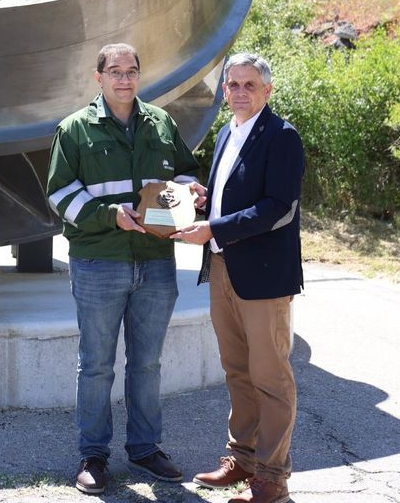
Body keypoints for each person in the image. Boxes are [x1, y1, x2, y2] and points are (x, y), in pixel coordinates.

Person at [46, 43, 207, 495]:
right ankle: (93, 456)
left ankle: (145, 448)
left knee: (148, 363)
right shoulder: (74, 129)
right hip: (100, 262)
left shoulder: (160, 123)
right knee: (96, 365)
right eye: (115, 71)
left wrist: (189, 190)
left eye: (131, 71)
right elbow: (60, 194)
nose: (124, 79)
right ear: (98, 78)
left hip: (156, 264)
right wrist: (108, 216)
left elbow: (180, 173)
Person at [173, 53, 304, 503]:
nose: (241, 92)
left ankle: (272, 479)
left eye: (250, 85)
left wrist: (215, 228)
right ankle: (242, 460)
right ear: (224, 91)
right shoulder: (228, 131)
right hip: (224, 268)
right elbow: (237, 198)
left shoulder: (282, 136)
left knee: (271, 377)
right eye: (234, 85)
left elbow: (278, 207)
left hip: (264, 277)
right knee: (237, 371)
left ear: (267, 90)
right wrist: (208, 202)